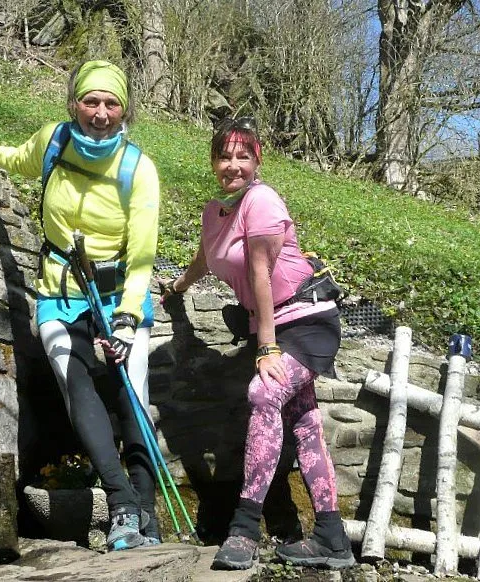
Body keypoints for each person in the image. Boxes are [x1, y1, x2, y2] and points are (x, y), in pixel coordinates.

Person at [0, 60, 161, 551]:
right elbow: (12, 157)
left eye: (111, 103)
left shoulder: (137, 168)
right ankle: (122, 504)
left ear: (125, 109)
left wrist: (126, 319)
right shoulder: (54, 142)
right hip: (60, 291)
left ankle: (146, 509)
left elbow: (143, 254)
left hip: (120, 294)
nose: (100, 113)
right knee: (74, 384)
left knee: (132, 394)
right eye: (91, 101)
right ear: (74, 103)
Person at [161, 116, 355, 569]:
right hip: (272, 326)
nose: (234, 165)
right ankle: (332, 537)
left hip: (306, 320)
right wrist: (178, 288)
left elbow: (260, 274)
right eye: (224, 156)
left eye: (243, 156)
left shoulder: (262, 201)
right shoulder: (215, 212)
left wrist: (266, 348)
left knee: (264, 393)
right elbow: (206, 259)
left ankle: (244, 529)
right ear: (213, 162)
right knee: (305, 424)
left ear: (257, 161)